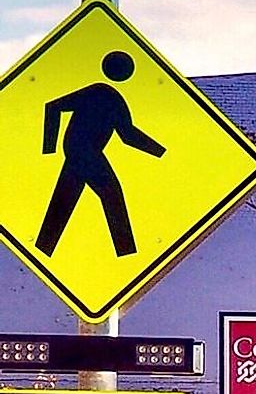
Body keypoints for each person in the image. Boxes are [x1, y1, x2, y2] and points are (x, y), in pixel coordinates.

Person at [37, 51, 165, 258]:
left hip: (81, 151)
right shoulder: (100, 92)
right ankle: (126, 253)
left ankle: (43, 248)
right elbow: (53, 107)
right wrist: (48, 149)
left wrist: (161, 153)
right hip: (82, 150)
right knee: (111, 193)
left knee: (64, 198)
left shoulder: (113, 99)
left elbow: (128, 135)